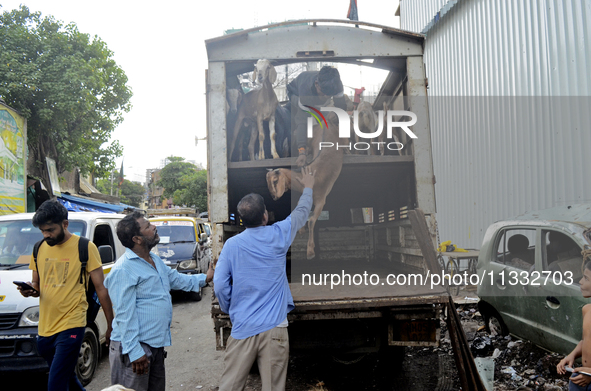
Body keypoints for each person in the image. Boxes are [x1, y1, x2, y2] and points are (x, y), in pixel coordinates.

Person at [214, 166, 316, 391]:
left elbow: (220, 285)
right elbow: (301, 212)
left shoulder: (232, 245)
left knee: (230, 387)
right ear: (265, 216)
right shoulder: (278, 234)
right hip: (275, 328)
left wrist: (232, 308)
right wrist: (308, 187)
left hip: (243, 327)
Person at [105, 211, 214, 391]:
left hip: (154, 345)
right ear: (137, 239)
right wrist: (134, 351)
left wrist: (205, 278)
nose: (154, 227)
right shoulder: (123, 269)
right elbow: (124, 315)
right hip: (135, 348)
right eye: (147, 226)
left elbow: (176, 279)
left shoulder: (153, 259)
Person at [17, 199, 114, 391]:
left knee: (56, 384)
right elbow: (36, 283)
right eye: (43, 231)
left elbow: (101, 288)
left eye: (50, 230)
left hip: (72, 323)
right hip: (45, 327)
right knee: (67, 378)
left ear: (65, 224)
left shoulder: (85, 247)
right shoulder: (38, 248)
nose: (46, 235)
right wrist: (30, 289)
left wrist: (111, 325)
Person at [287, 66, 347, 167]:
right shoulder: (305, 88)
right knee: (305, 116)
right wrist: (302, 151)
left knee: (327, 118)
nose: (326, 97)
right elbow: (302, 121)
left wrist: (335, 115)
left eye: (329, 95)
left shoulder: (337, 86)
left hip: (315, 100)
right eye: (324, 94)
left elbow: (341, 108)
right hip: (295, 94)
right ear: (316, 84)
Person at [557, 260, 591, 390]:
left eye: (586, 278)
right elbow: (585, 341)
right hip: (580, 378)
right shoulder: (587, 310)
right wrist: (570, 356)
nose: (581, 281)